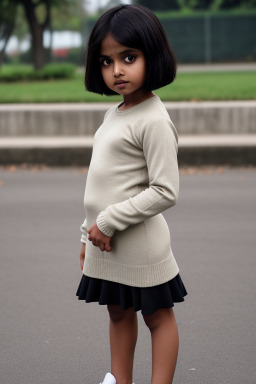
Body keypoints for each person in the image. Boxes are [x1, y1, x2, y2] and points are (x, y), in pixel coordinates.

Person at [76, 4, 187, 384]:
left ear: (151, 55)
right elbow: (101, 183)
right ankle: (119, 379)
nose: (117, 70)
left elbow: (165, 190)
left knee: (157, 316)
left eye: (128, 57)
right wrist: (86, 234)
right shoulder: (115, 114)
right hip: (106, 242)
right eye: (106, 61)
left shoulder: (154, 119)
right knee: (118, 311)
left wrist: (107, 221)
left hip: (138, 242)